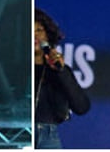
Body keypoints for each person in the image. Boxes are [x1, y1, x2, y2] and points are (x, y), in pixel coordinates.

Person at [34, 8, 90, 148]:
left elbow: (81, 107)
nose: (34, 35)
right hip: (19, 133)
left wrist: (61, 71)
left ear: (47, 36)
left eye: (39, 30)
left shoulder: (59, 70)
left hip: (48, 138)